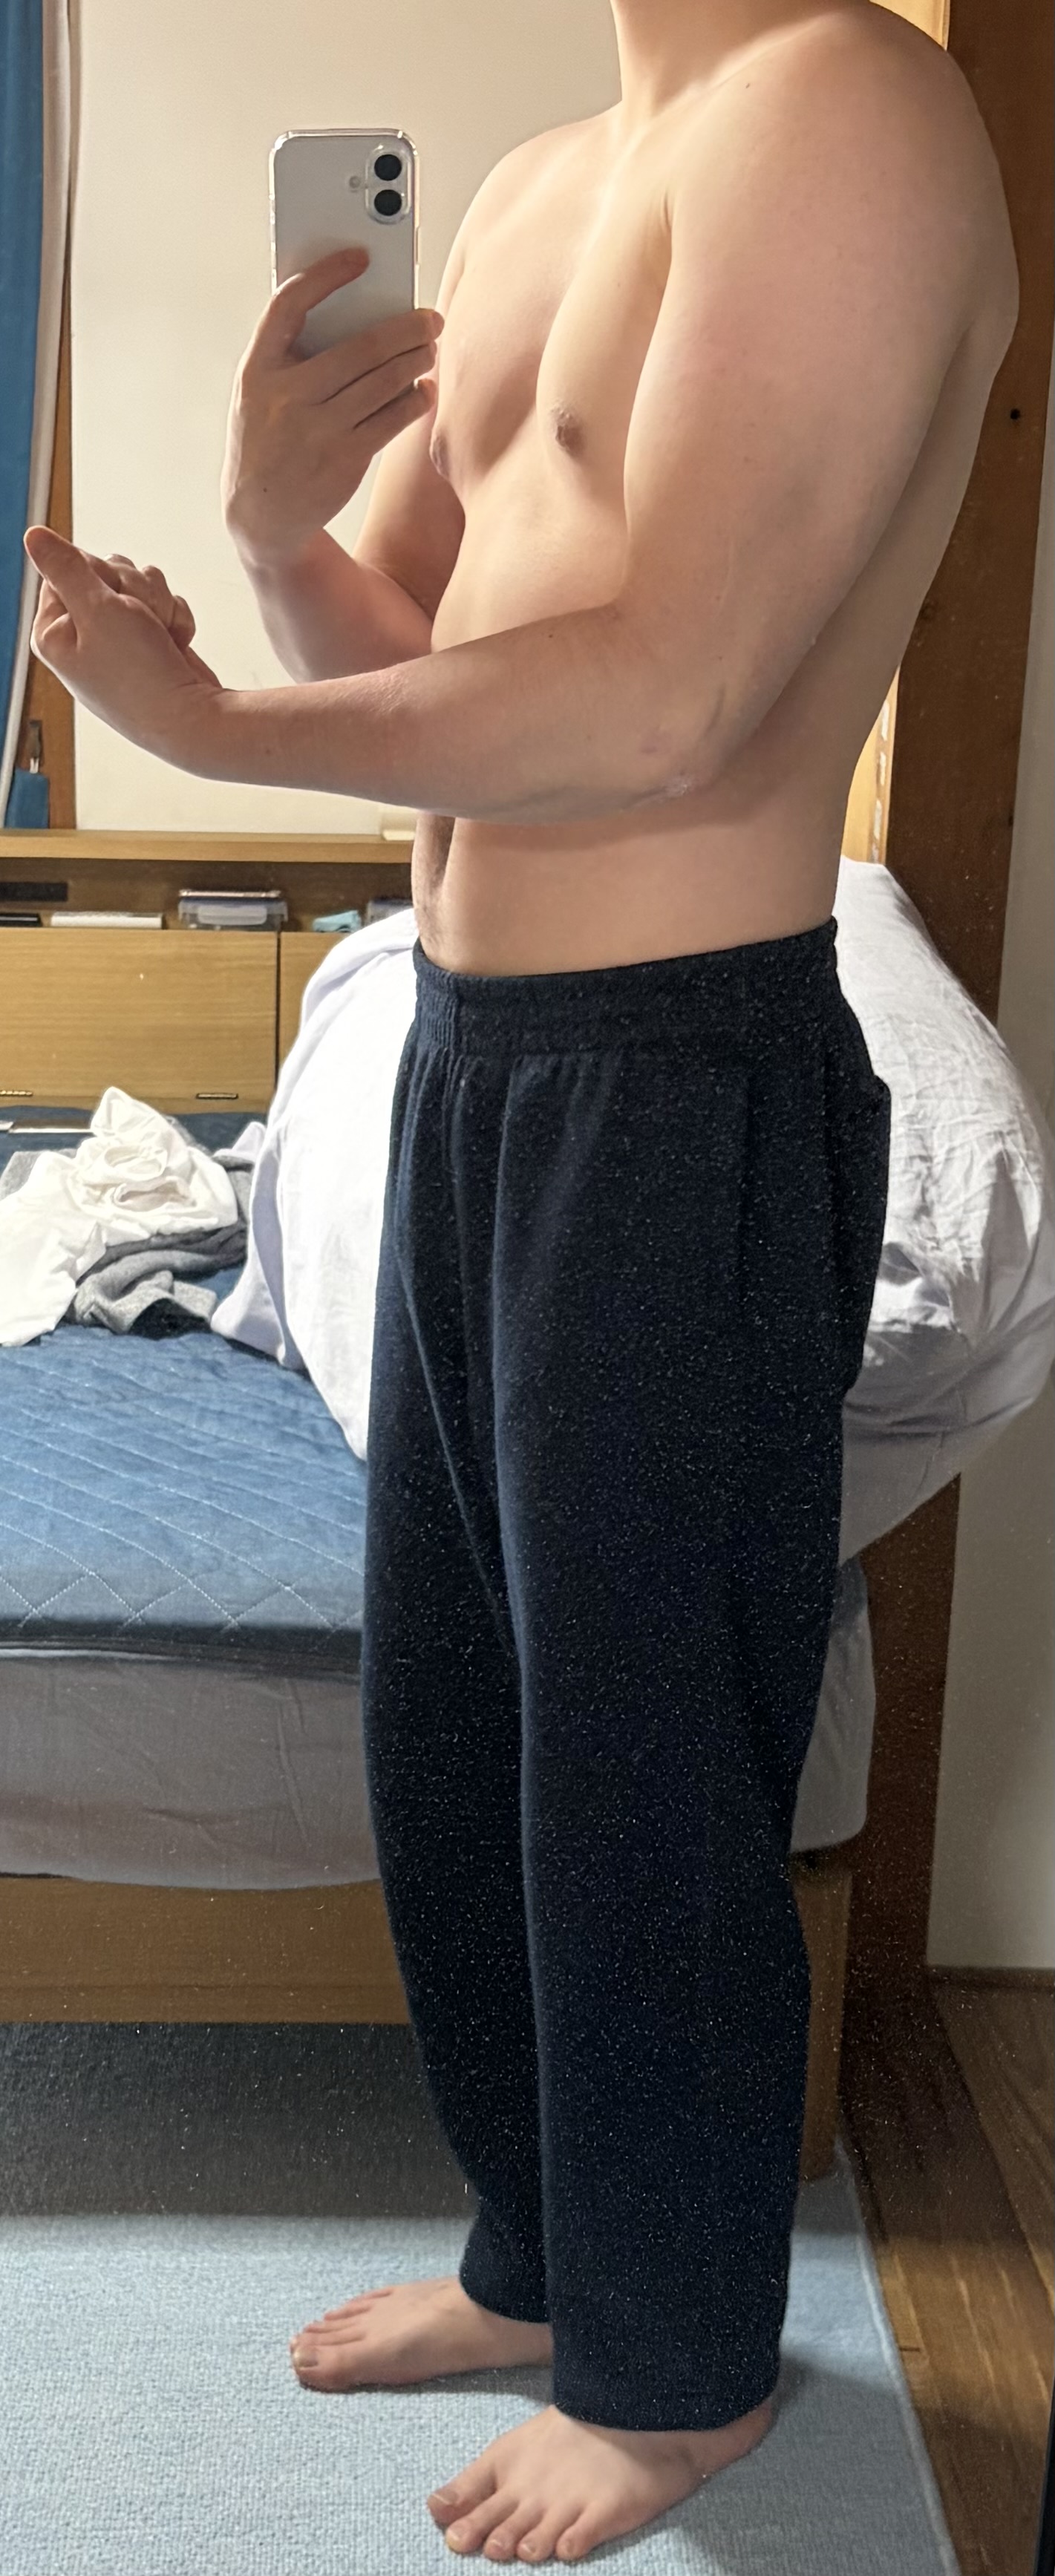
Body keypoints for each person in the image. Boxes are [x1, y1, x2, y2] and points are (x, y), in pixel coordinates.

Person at [25, 3, 1018, 2560]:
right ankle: (545, 2253)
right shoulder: (546, 178)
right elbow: (427, 668)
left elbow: (672, 695)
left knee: (645, 1758)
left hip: (681, 1075)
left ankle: (677, 2373)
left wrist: (201, 731)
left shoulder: (846, 110)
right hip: (472, 1065)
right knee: (455, 1730)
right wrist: (271, 539)